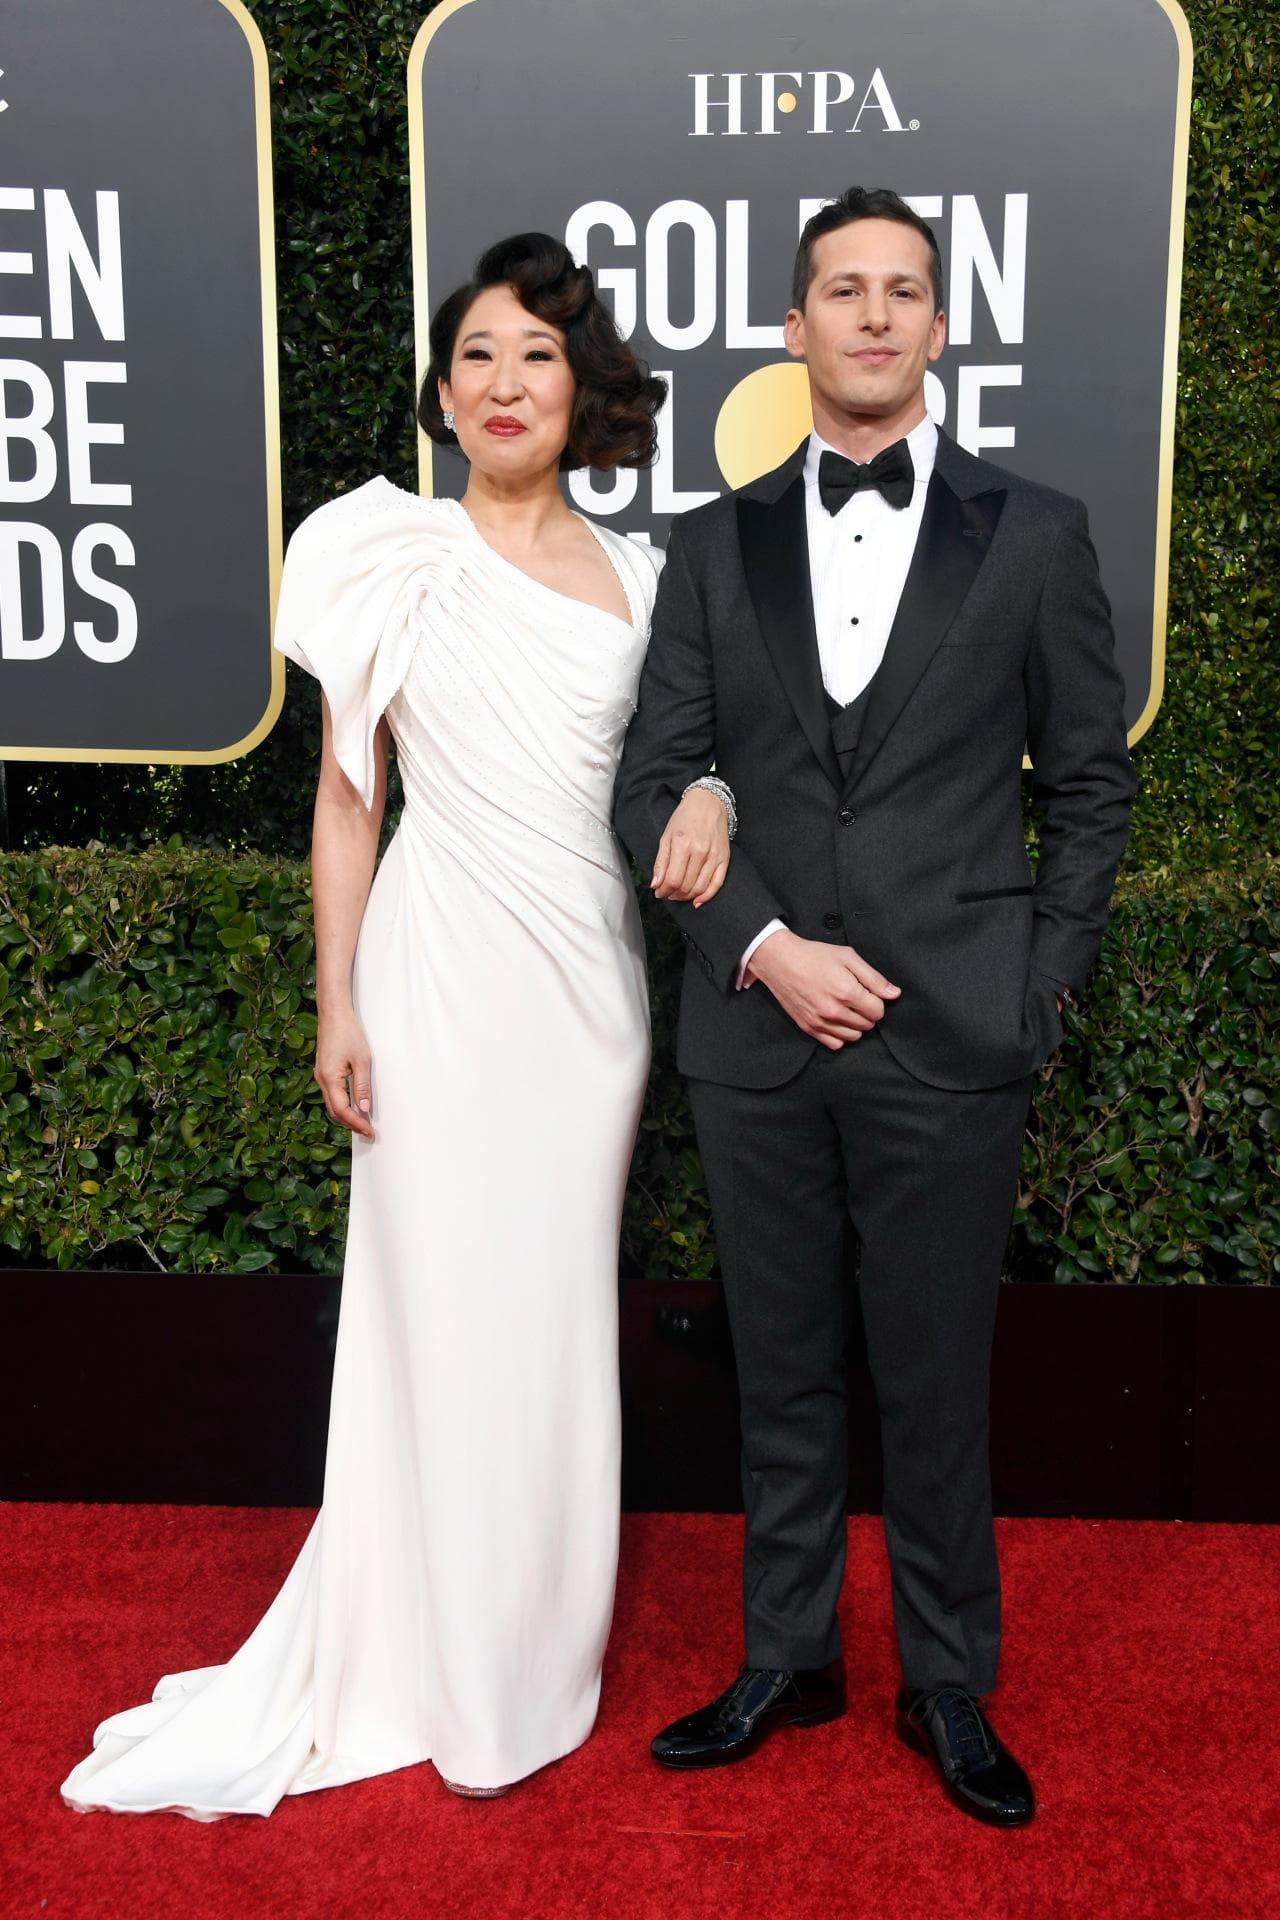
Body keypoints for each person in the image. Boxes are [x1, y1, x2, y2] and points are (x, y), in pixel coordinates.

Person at [60, 233, 731, 1817]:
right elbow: (348, 804)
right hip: (433, 987)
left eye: (537, 356)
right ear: (441, 391)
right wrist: (337, 1000)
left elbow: (693, 764)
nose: (504, 383)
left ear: (583, 391)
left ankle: (524, 1660)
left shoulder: (647, 580)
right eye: (476, 355)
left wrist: (710, 785)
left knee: (548, 1326)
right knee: (437, 1319)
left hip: (587, 1006)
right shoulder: (390, 556)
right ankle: (425, 1656)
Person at [614, 186, 1135, 1827]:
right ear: (794, 327)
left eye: (904, 290)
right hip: (757, 1033)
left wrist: (1034, 988)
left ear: (939, 324)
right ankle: (789, 1657)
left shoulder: (1035, 532)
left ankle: (946, 1681)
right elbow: (649, 785)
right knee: (780, 1371)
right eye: (844, 290)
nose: (875, 315)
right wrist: (766, 945)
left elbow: (1093, 788)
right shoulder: (712, 544)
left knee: (935, 1381)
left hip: (953, 1032)